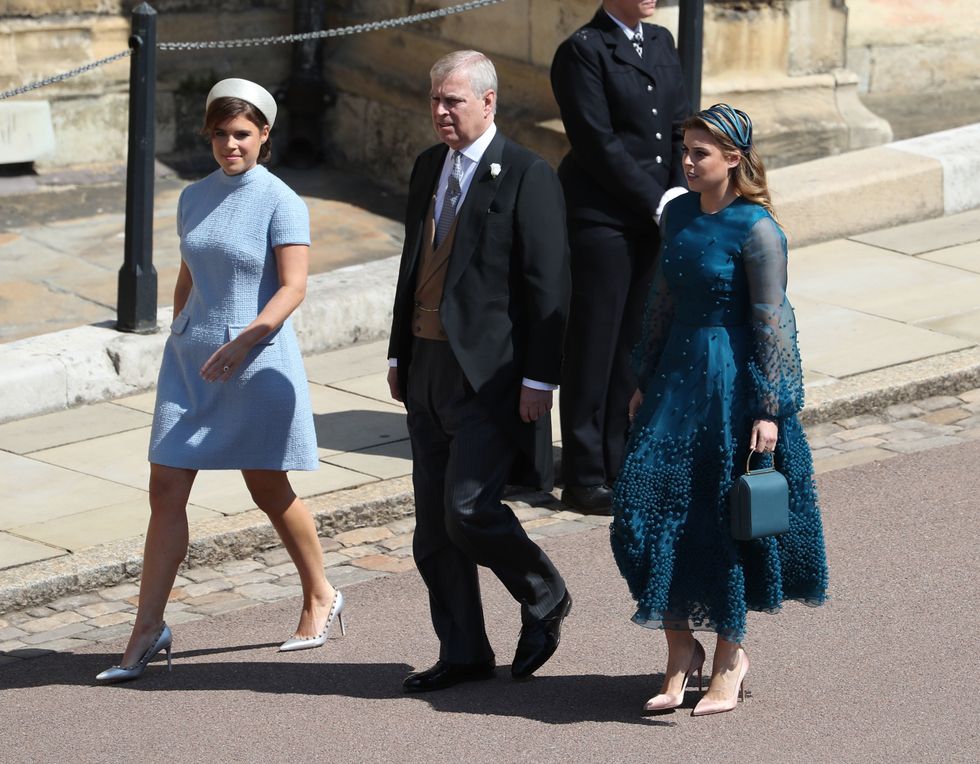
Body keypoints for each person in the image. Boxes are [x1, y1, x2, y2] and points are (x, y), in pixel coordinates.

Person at [96, 78, 343, 684]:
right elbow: (190, 270)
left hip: (255, 361)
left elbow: (294, 287)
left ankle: (320, 593)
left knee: (268, 487)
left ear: (264, 134)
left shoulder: (283, 200)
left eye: (241, 134)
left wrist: (243, 341)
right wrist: (180, 327)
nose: (230, 145)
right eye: (219, 135)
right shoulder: (192, 196)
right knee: (165, 488)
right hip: (191, 364)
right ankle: (147, 628)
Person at [612, 104, 829, 716]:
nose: (686, 161)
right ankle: (682, 648)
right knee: (641, 512)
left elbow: (773, 321)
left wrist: (771, 407)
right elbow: (661, 299)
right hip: (674, 381)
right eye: (684, 150)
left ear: (733, 159)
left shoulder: (758, 230)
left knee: (719, 519)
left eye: (699, 153)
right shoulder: (678, 212)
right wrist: (644, 377)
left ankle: (730, 657)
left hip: (731, 385)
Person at [386, 50, 572, 692]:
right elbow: (413, 264)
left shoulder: (526, 173)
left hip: (490, 375)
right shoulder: (427, 166)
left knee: (468, 508)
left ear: (488, 102)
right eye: (435, 100)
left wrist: (541, 379)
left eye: (454, 101)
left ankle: (544, 592)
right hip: (426, 366)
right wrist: (398, 353)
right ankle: (463, 650)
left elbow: (548, 285)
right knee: (434, 532)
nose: (441, 112)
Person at [550, 0, 689, 515]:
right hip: (602, 218)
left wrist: (678, 194)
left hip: (654, 215)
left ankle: (619, 460)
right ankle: (584, 475)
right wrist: (657, 201)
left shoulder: (660, 41)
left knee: (635, 342)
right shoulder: (582, 51)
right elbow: (597, 142)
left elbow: (679, 126)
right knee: (594, 345)